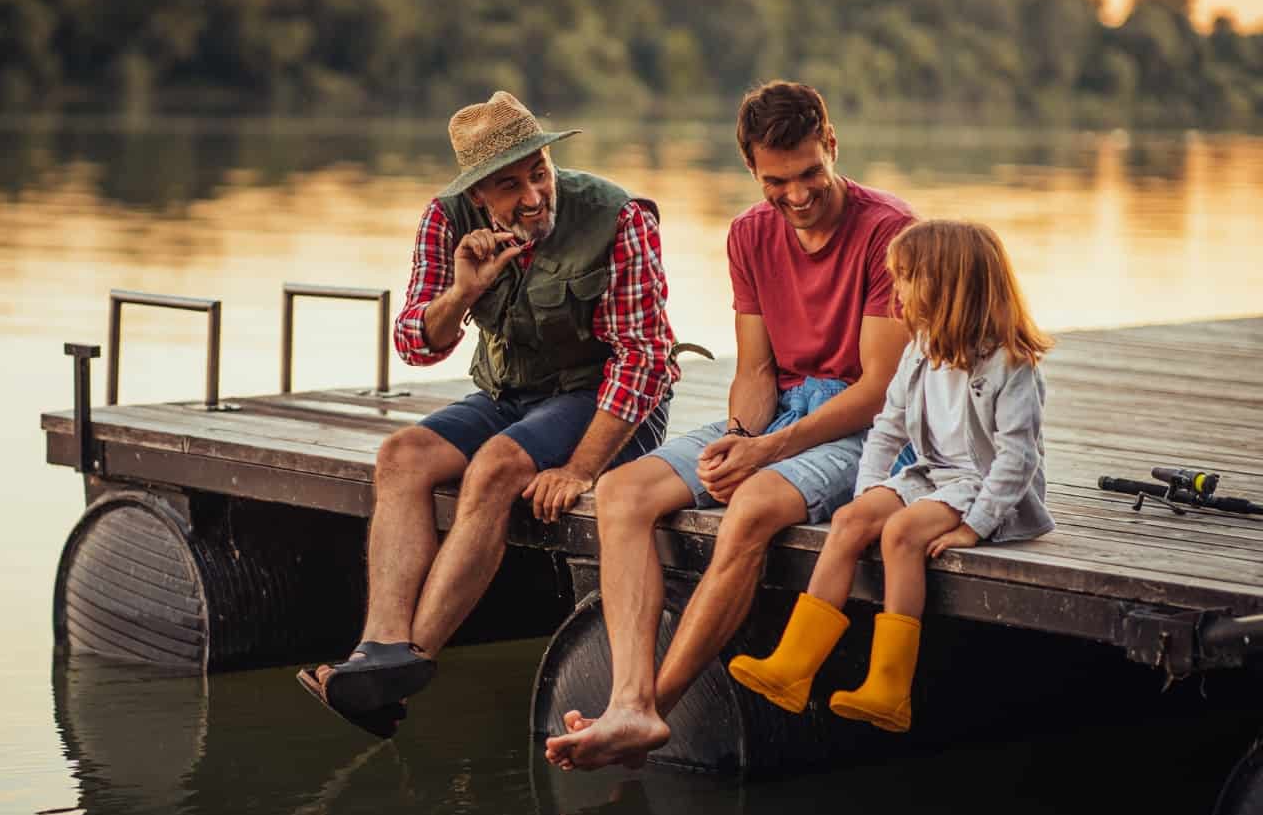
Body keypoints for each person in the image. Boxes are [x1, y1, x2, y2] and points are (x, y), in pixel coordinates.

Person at [546, 80, 915, 770]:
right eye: (778, 181)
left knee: (751, 506)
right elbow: (755, 370)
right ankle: (628, 699)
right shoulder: (749, 233)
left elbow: (878, 391)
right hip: (780, 414)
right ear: (752, 169)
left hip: (872, 429)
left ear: (831, 145)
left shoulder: (890, 231)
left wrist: (766, 452)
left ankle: (652, 707)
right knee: (623, 494)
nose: (797, 195)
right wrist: (741, 439)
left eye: (810, 172)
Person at [296, 91, 679, 738]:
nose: (533, 197)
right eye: (509, 186)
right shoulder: (445, 220)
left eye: (540, 172)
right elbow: (416, 342)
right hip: (510, 395)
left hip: (608, 401)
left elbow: (644, 361)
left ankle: (410, 663)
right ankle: (379, 651)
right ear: (478, 195)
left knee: (496, 466)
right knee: (401, 457)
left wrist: (582, 469)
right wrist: (463, 289)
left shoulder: (619, 217)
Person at [728, 219, 1055, 732]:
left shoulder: (1010, 365)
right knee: (850, 524)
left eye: (905, 277)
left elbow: (1016, 461)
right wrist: (870, 493)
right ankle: (793, 666)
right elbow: (887, 427)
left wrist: (977, 526)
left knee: (900, 534)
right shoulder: (920, 350)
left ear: (944, 284)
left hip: (987, 488)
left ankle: (889, 687)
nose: (896, 288)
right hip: (931, 477)